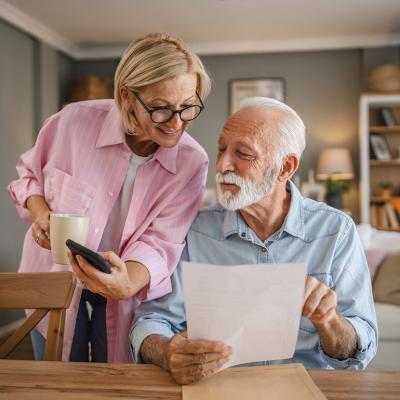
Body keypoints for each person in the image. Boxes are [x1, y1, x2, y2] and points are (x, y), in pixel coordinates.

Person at [130, 97, 378, 384]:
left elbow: (361, 347)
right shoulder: (193, 230)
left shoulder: (336, 231)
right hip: (216, 388)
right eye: (222, 148)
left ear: (285, 168)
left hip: (308, 388)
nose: (223, 164)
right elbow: (149, 321)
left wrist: (329, 322)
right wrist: (166, 351)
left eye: (243, 154)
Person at [7, 32, 210, 363]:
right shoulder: (72, 123)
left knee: (114, 384)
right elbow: (30, 176)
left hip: (123, 291)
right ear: (127, 96)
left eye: (188, 107)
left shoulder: (192, 162)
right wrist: (41, 212)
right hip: (53, 284)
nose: (176, 123)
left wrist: (125, 283)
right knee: (55, 384)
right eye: (160, 109)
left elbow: (162, 243)